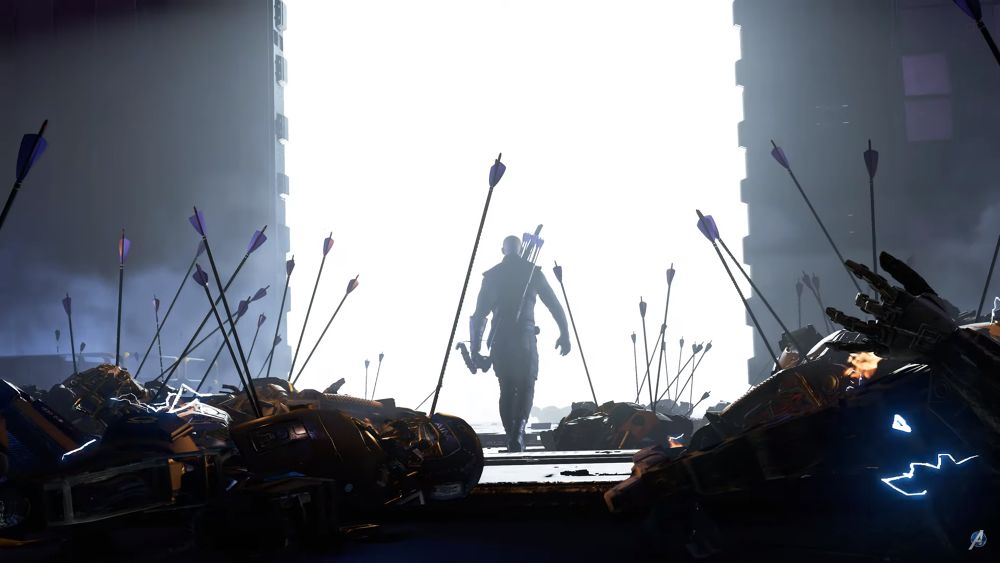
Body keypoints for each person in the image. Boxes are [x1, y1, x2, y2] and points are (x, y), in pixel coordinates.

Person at [470, 235, 570, 452]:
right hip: (525, 340)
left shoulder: (492, 276)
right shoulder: (533, 272)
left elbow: (478, 316)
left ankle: (512, 436)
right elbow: (555, 305)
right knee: (526, 386)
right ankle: (518, 434)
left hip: (500, 341)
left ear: (502, 250)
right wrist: (565, 333)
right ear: (520, 247)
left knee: (506, 388)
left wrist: (474, 350)